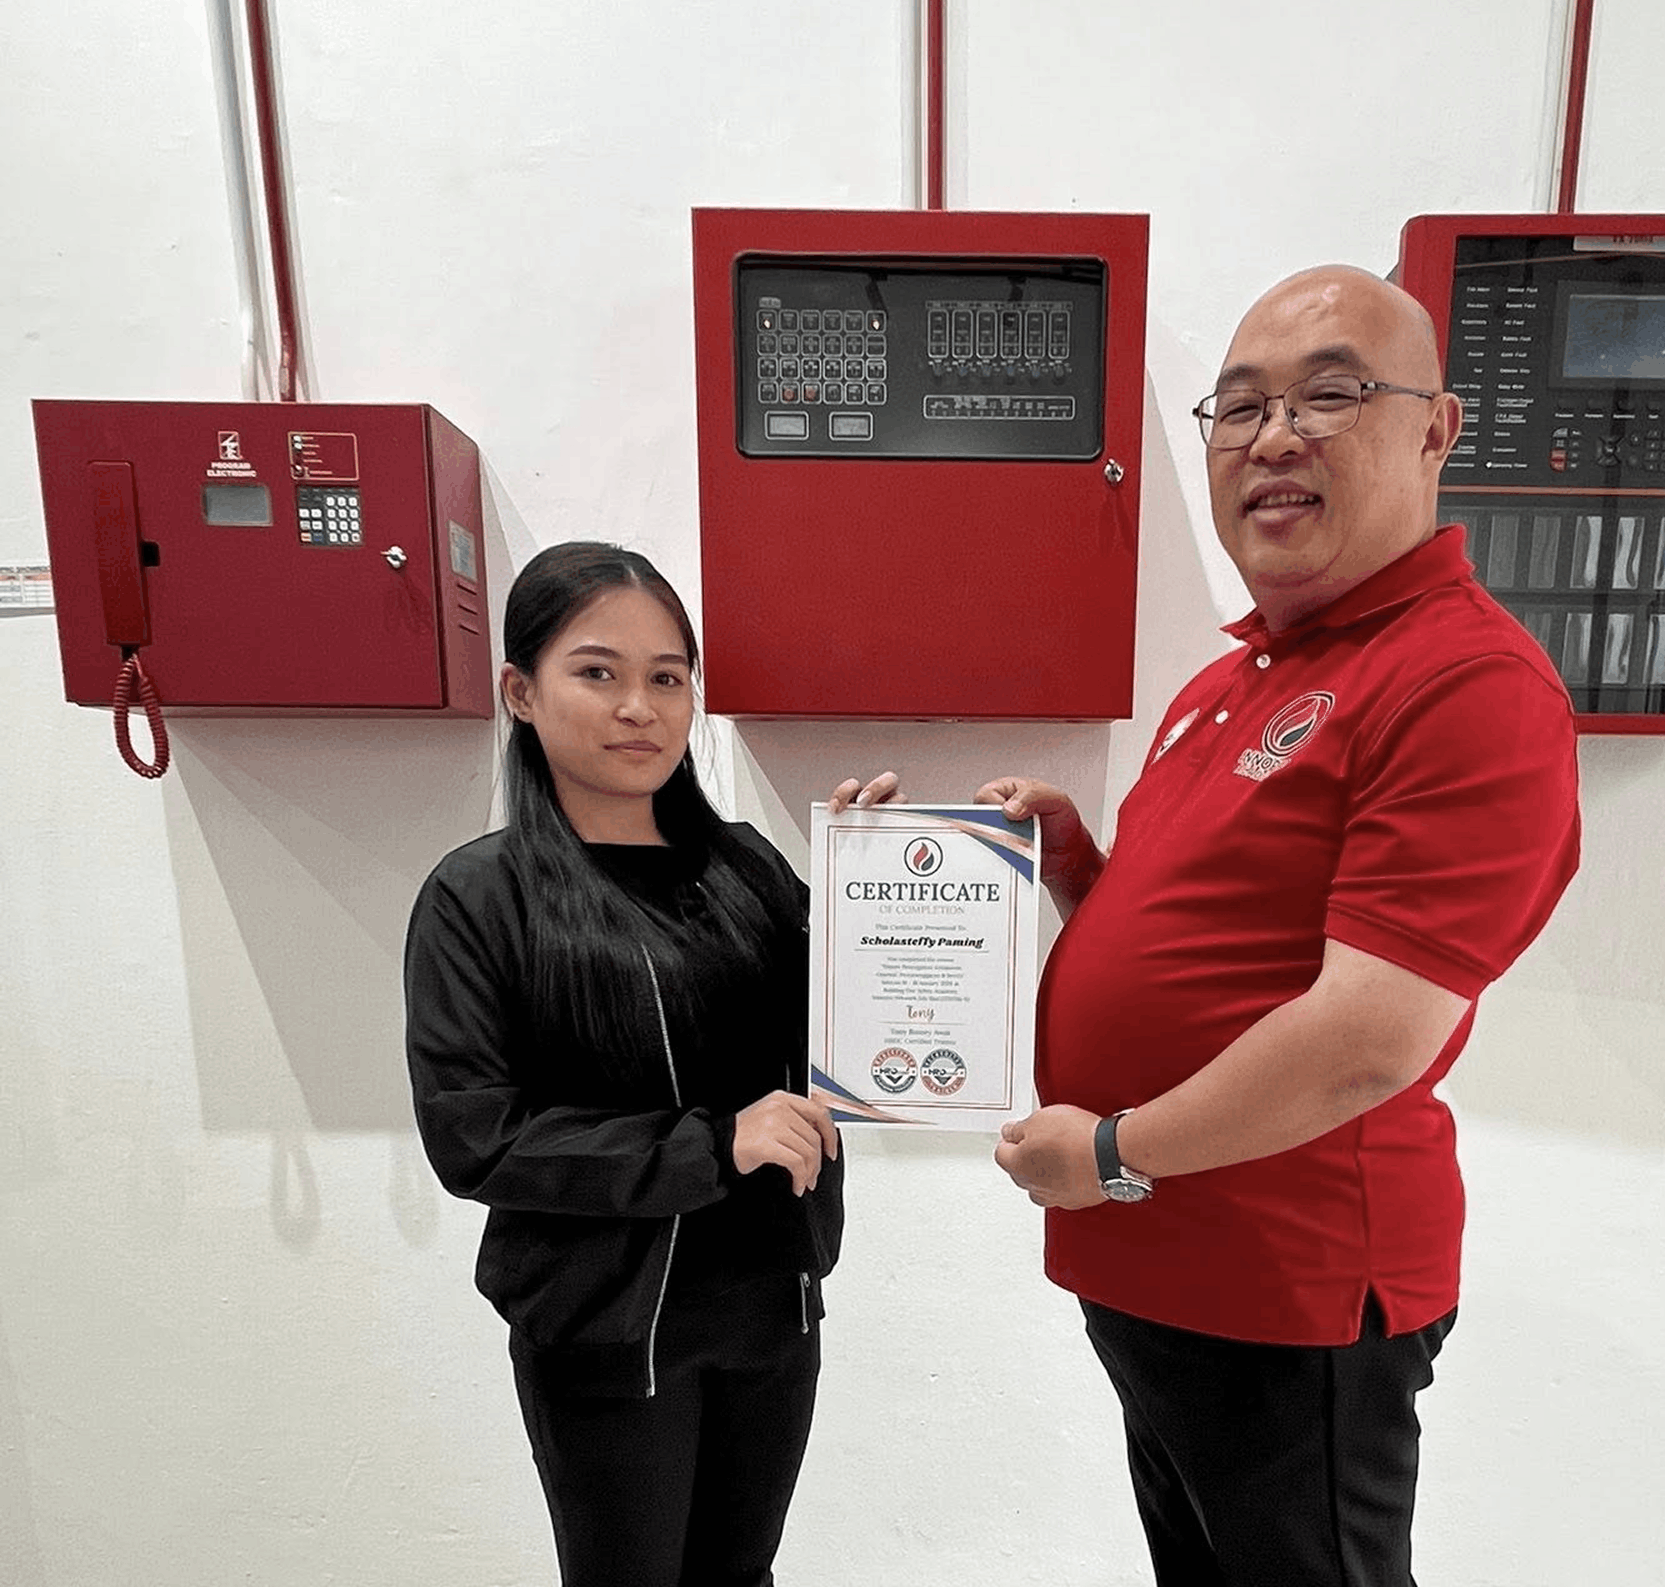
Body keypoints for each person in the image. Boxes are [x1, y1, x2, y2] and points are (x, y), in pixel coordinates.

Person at [980, 265, 1581, 1586]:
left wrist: (1114, 1155)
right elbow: (1226, 946)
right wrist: (1079, 873)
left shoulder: (1463, 681)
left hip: (1286, 1295)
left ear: (1435, 429)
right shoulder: (1235, 676)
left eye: (1330, 396)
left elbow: (1368, 1038)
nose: (1273, 438)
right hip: (1162, 1269)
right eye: (1241, 407)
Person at [403, 542, 843, 1587]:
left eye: (667, 677)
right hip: (604, 1327)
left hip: (770, 1312)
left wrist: (883, 889)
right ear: (521, 691)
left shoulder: (746, 867)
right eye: (597, 672)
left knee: (742, 1577)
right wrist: (712, 1146)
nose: (639, 707)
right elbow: (478, 1138)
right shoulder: (480, 896)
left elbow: (846, 1038)